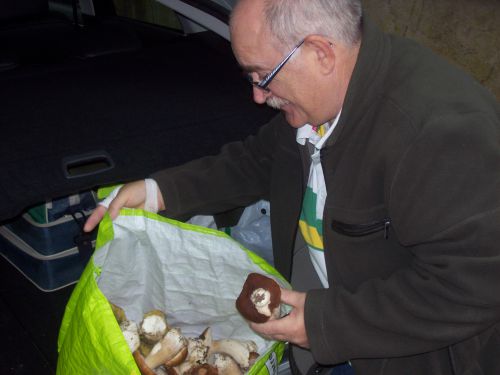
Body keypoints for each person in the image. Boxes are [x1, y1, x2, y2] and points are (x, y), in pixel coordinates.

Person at [84, 0, 500, 374]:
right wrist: (157, 191)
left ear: (320, 52)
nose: (258, 96)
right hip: (332, 340)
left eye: (263, 76)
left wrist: (324, 323)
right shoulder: (326, 98)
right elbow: (256, 160)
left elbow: (477, 282)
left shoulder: (438, 134)